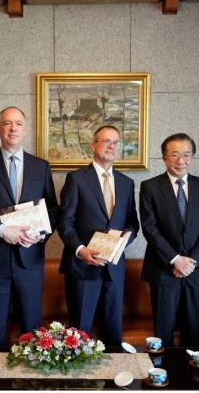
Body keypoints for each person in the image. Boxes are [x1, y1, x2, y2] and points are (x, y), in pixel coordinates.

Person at [0, 106, 59, 345]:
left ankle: (32, 380)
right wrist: (2, 230)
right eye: (7, 123)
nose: (13, 128)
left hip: (30, 257)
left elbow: (52, 210)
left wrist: (40, 236)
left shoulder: (42, 166)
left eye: (18, 123)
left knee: (33, 330)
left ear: (25, 129)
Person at [58, 125, 139, 346]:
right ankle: (79, 380)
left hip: (114, 268)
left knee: (112, 334)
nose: (111, 146)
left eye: (116, 143)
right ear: (94, 145)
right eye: (106, 141)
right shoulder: (76, 179)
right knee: (80, 333)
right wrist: (80, 250)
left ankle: (114, 378)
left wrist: (125, 239)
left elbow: (133, 222)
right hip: (83, 266)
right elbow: (65, 222)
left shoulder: (126, 183)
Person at [139, 133, 199, 347]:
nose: (181, 161)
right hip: (164, 270)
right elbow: (149, 227)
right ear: (164, 157)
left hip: (197, 270)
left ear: (192, 157)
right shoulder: (150, 187)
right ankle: (161, 375)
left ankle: (189, 378)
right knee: (162, 332)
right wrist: (175, 259)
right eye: (174, 155)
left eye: (186, 155)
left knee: (193, 332)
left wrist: (189, 262)